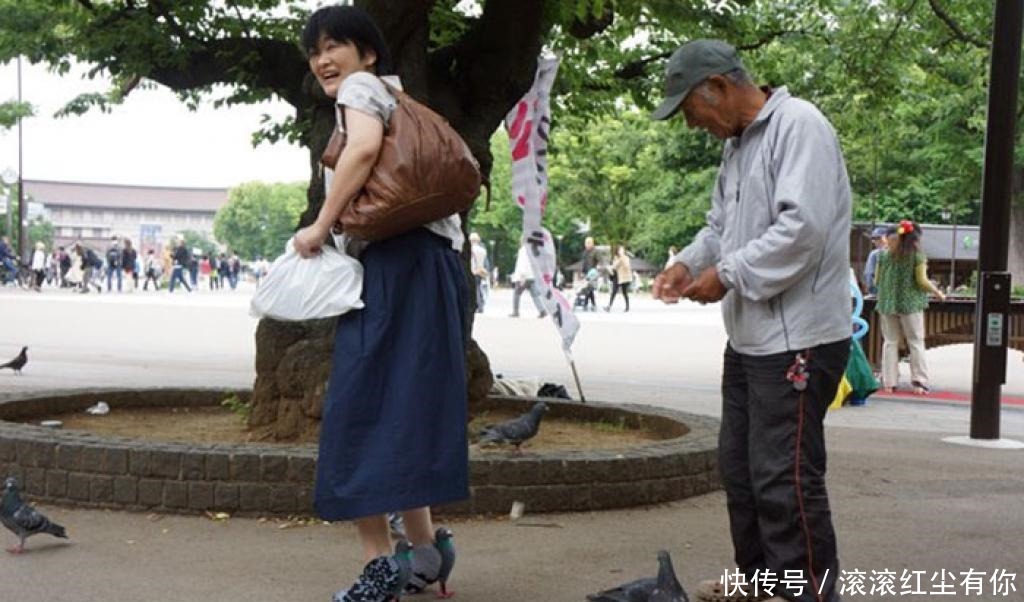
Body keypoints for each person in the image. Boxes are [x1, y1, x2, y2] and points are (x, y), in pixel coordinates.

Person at [651, 39, 852, 602]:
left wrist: (729, 273)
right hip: (750, 339)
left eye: (691, 111)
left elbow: (802, 230)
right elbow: (719, 227)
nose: (694, 126)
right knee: (741, 475)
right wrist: (688, 263)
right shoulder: (737, 148)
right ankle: (765, 584)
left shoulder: (800, 126)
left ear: (717, 86)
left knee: (783, 481)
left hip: (799, 339)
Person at [292, 6, 466, 601]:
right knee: (403, 411)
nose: (322, 59)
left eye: (334, 44)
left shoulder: (363, 90)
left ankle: (379, 567)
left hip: (394, 265)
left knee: (358, 414)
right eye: (314, 50)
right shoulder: (400, 96)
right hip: (433, 268)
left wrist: (321, 224)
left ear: (368, 52)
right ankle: (425, 551)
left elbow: (363, 150)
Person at [874, 219, 945, 395]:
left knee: (890, 342)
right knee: (915, 342)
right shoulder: (917, 256)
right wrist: (938, 293)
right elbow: (922, 281)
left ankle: (889, 382)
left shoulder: (882, 256)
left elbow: (876, 281)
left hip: (887, 303)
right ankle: (919, 382)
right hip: (911, 304)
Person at [509, 241, 547, 319]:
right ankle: (542, 310)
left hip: (524, 276)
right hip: (532, 276)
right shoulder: (533, 250)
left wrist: (522, 276)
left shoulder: (523, 250)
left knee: (516, 294)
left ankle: (515, 311)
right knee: (535, 295)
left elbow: (522, 263)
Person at [862, 226, 889, 295]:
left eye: (876, 238)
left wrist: (872, 291)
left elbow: (869, 275)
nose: (873, 241)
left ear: (884, 238)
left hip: (878, 293)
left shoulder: (874, 254)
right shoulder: (899, 253)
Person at [605, 244, 633, 312]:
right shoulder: (615, 257)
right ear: (617, 251)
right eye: (620, 250)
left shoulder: (626, 258)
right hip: (616, 276)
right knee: (614, 292)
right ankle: (609, 306)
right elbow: (614, 266)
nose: (621, 251)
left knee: (624, 292)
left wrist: (622, 258)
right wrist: (610, 268)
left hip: (624, 277)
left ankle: (627, 307)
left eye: (622, 250)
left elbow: (627, 266)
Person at [469, 232, 489, 312]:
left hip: (473, 270)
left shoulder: (471, 249)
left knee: (474, 289)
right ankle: (481, 305)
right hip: (481, 271)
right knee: (478, 288)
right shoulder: (483, 250)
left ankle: (477, 305)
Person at [579, 236, 598, 311]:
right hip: (586, 273)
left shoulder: (595, 251)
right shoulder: (585, 252)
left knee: (589, 288)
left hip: (593, 273)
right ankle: (593, 304)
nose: (586, 244)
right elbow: (584, 263)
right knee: (589, 289)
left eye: (588, 243)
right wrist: (582, 272)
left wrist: (597, 269)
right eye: (586, 243)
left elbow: (599, 261)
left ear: (592, 243)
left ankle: (586, 304)